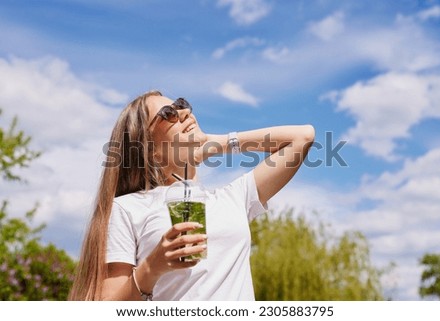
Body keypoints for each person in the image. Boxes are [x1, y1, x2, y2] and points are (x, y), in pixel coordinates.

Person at [69, 90, 315, 301]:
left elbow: (302, 137)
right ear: (150, 151)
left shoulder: (234, 198)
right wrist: (150, 269)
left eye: (181, 105)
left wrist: (214, 143)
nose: (183, 113)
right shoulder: (127, 208)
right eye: (168, 114)